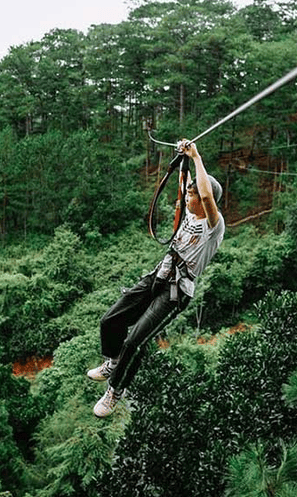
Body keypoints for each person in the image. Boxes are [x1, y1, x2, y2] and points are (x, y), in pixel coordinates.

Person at [87, 139, 225, 417]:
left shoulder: (214, 225)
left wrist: (197, 157)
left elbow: (208, 196)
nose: (188, 197)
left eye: (192, 194)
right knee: (110, 320)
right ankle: (112, 361)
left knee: (134, 342)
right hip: (159, 276)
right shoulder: (188, 210)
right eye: (187, 193)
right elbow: (185, 179)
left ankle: (115, 391)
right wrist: (183, 154)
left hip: (176, 292)